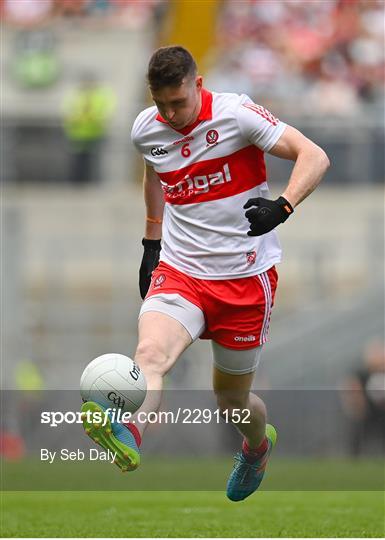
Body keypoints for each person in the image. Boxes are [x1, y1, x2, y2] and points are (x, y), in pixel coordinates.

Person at [81, 46, 329, 501]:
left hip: (245, 279)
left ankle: (257, 446)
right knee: (151, 355)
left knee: (231, 404)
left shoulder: (237, 115)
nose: (171, 115)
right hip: (182, 272)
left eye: (179, 103)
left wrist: (283, 206)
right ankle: (128, 430)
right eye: (161, 104)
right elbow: (155, 170)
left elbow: (313, 155)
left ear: (198, 85)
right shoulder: (146, 129)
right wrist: (152, 243)